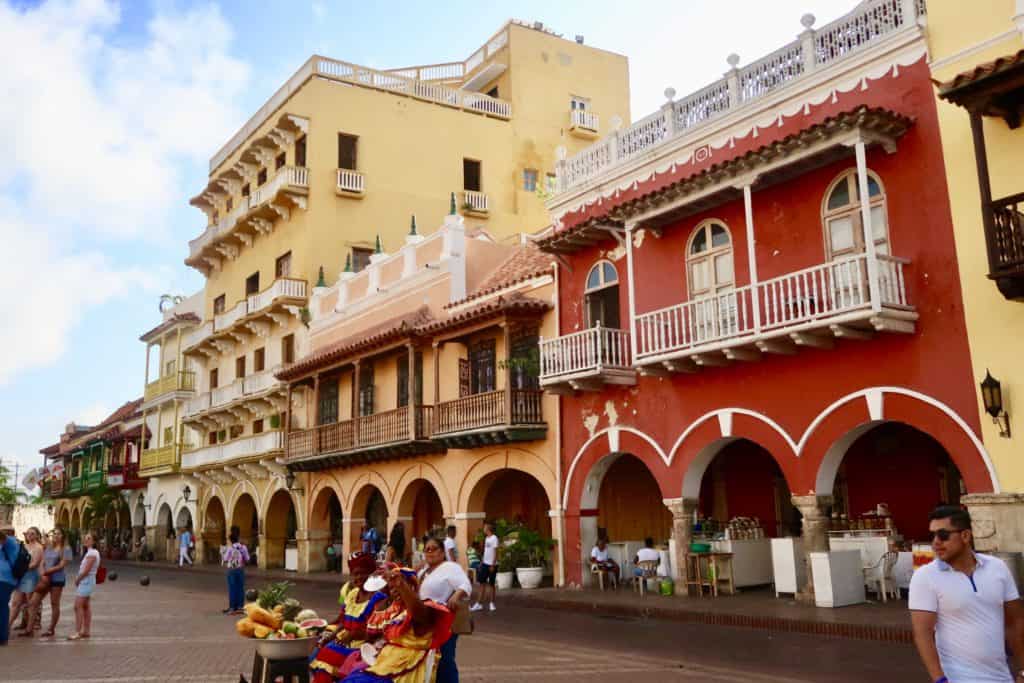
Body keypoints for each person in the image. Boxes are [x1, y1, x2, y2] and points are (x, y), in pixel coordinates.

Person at [909, 505, 1024, 683]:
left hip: (1001, 676)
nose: (935, 542)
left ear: (965, 536)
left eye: (943, 535)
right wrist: (939, 679)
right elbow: (923, 634)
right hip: (958, 677)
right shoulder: (925, 577)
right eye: (932, 535)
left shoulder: (997, 567)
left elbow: (1015, 621)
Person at [340, 565, 454, 683]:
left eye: (398, 586)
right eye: (391, 588)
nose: (394, 591)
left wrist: (401, 585)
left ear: (412, 587)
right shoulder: (393, 611)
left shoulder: (425, 607)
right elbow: (371, 634)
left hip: (405, 666)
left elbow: (418, 614)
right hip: (384, 662)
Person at [310, 551, 387, 682]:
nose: (358, 578)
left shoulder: (379, 599)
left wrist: (352, 635)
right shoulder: (353, 594)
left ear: (372, 574)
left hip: (363, 649)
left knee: (327, 654)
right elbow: (342, 621)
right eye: (355, 574)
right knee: (317, 651)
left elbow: (376, 632)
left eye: (362, 573)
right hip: (343, 643)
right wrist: (330, 636)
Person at [419, 535, 471, 683]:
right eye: (427, 550)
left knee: (445, 660)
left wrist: (456, 596)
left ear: (442, 552)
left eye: (433, 549)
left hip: (445, 622)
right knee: (430, 661)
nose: (430, 552)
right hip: (426, 623)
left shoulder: (450, 567)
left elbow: (465, 584)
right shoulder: (424, 571)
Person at [22, 527, 73, 638]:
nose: (56, 536)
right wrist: (42, 574)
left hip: (57, 579)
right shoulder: (49, 547)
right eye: (54, 534)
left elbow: (61, 565)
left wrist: (48, 571)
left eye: (58, 534)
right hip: (45, 579)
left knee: (54, 604)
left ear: (63, 536)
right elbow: (42, 562)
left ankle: (51, 629)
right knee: (33, 602)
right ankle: (29, 629)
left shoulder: (66, 549)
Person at [9, 526, 44, 631]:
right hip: (22, 576)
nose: (29, 535)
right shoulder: (24, 546)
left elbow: (35, 564)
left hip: (31, 577)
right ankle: (7, 626)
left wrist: (21, 568)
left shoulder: (38, 547)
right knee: (16, 602)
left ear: (37, 535)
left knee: (31, 604)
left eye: (32, 533)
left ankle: (29, 628)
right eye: (28, 533)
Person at [68, 532, 100, 640]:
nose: (86, 540)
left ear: (94, 541)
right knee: (85, 606)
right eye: (86, 538)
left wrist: (78, 579)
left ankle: (78, 632)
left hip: (86, 581)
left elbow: (86, 570)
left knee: (78, 606)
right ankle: (86, 631)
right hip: (88, 581)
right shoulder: (92, 552)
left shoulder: (92, 553)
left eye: (89, 538)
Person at [470, 522, 499, 613]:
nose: (483, 529)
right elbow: (486, 551)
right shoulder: (486, 539)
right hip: (485, 564)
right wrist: (482, 562)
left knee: (491, 584)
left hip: (492, 565)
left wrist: (492, 565)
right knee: (481, 583)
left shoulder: (494, 538)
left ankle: (492, 603)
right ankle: (478, 604)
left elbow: (496, 552)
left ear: (488, 529)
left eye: (484, 528)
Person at [221, 526, 250, 615]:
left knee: (232, 588)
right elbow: (247, 558)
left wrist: (223, 553)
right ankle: (240, 606)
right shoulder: (243, 547)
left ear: (231, 540)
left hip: (231, 570)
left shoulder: (230, 548)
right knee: (240, 588)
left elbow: (225, 559)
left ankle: (232, 607)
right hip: (240, 569)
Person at [0, 523, 20, 646]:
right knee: (1, 607)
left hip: (5, 580)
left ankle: (3, 637)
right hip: (4, 580)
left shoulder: (11, 542)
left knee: (2, 607)